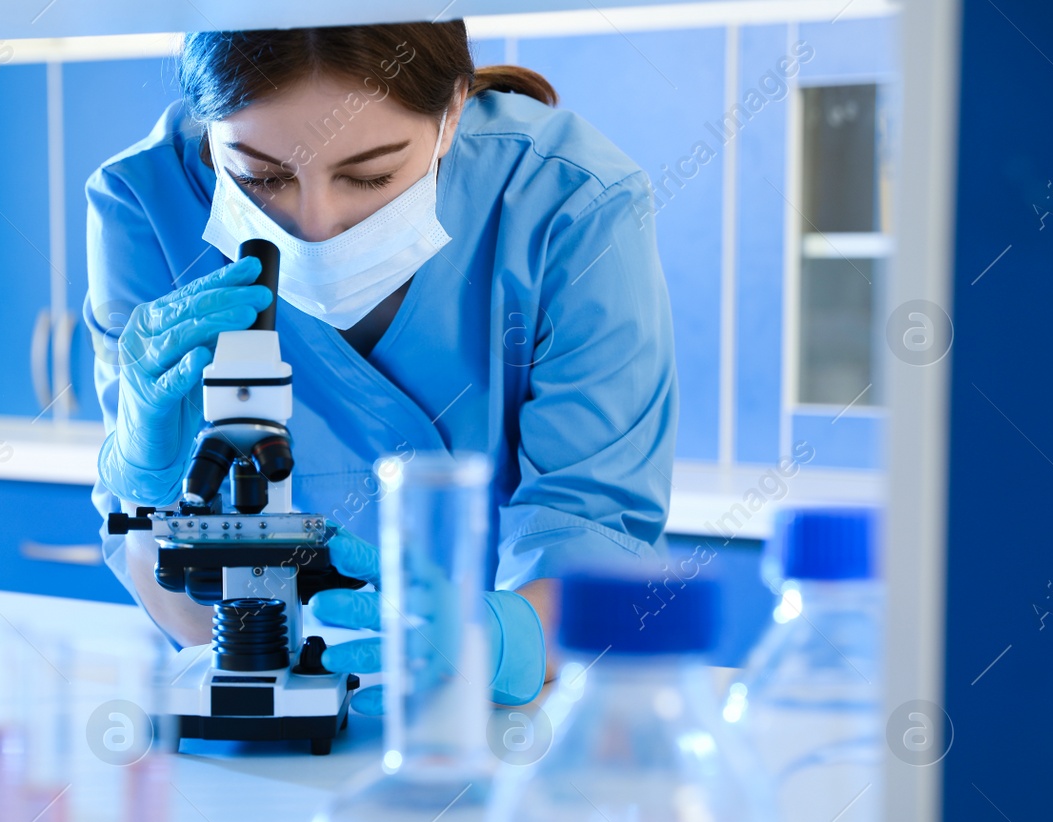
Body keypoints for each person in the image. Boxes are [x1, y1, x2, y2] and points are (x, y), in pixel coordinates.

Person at [86, 21, 676, 710]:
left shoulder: (571, 203)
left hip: (511, 717)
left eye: (368, 175)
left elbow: (598, 548)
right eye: (261, 177)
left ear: (452, 111)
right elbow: (185, 611)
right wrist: (149, 488)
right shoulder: (145, 206)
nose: (314, 222)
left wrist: (493, 640)